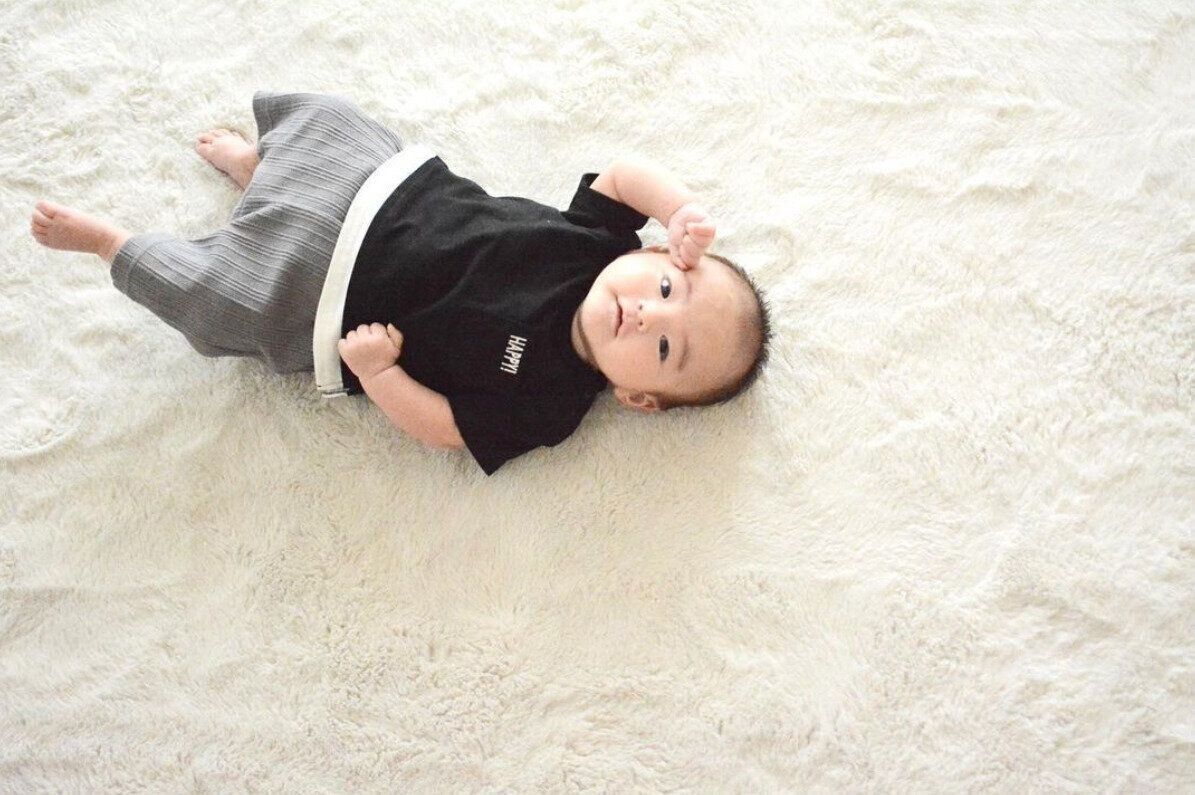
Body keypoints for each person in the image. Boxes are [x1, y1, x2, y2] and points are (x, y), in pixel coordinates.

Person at [29, 91, 772, 476]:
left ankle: (111, 244)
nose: (646, 316)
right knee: (331, 119)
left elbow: (446, 430)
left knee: (216, 305)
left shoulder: (551, 404)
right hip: (381, 192)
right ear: (660, 252)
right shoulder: (600, 241)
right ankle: (258, 169)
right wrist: (680, 208)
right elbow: (624, 173)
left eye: (666, 349)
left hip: (319, 302)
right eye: (666, 290)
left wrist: (380, 374)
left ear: (639, 398)